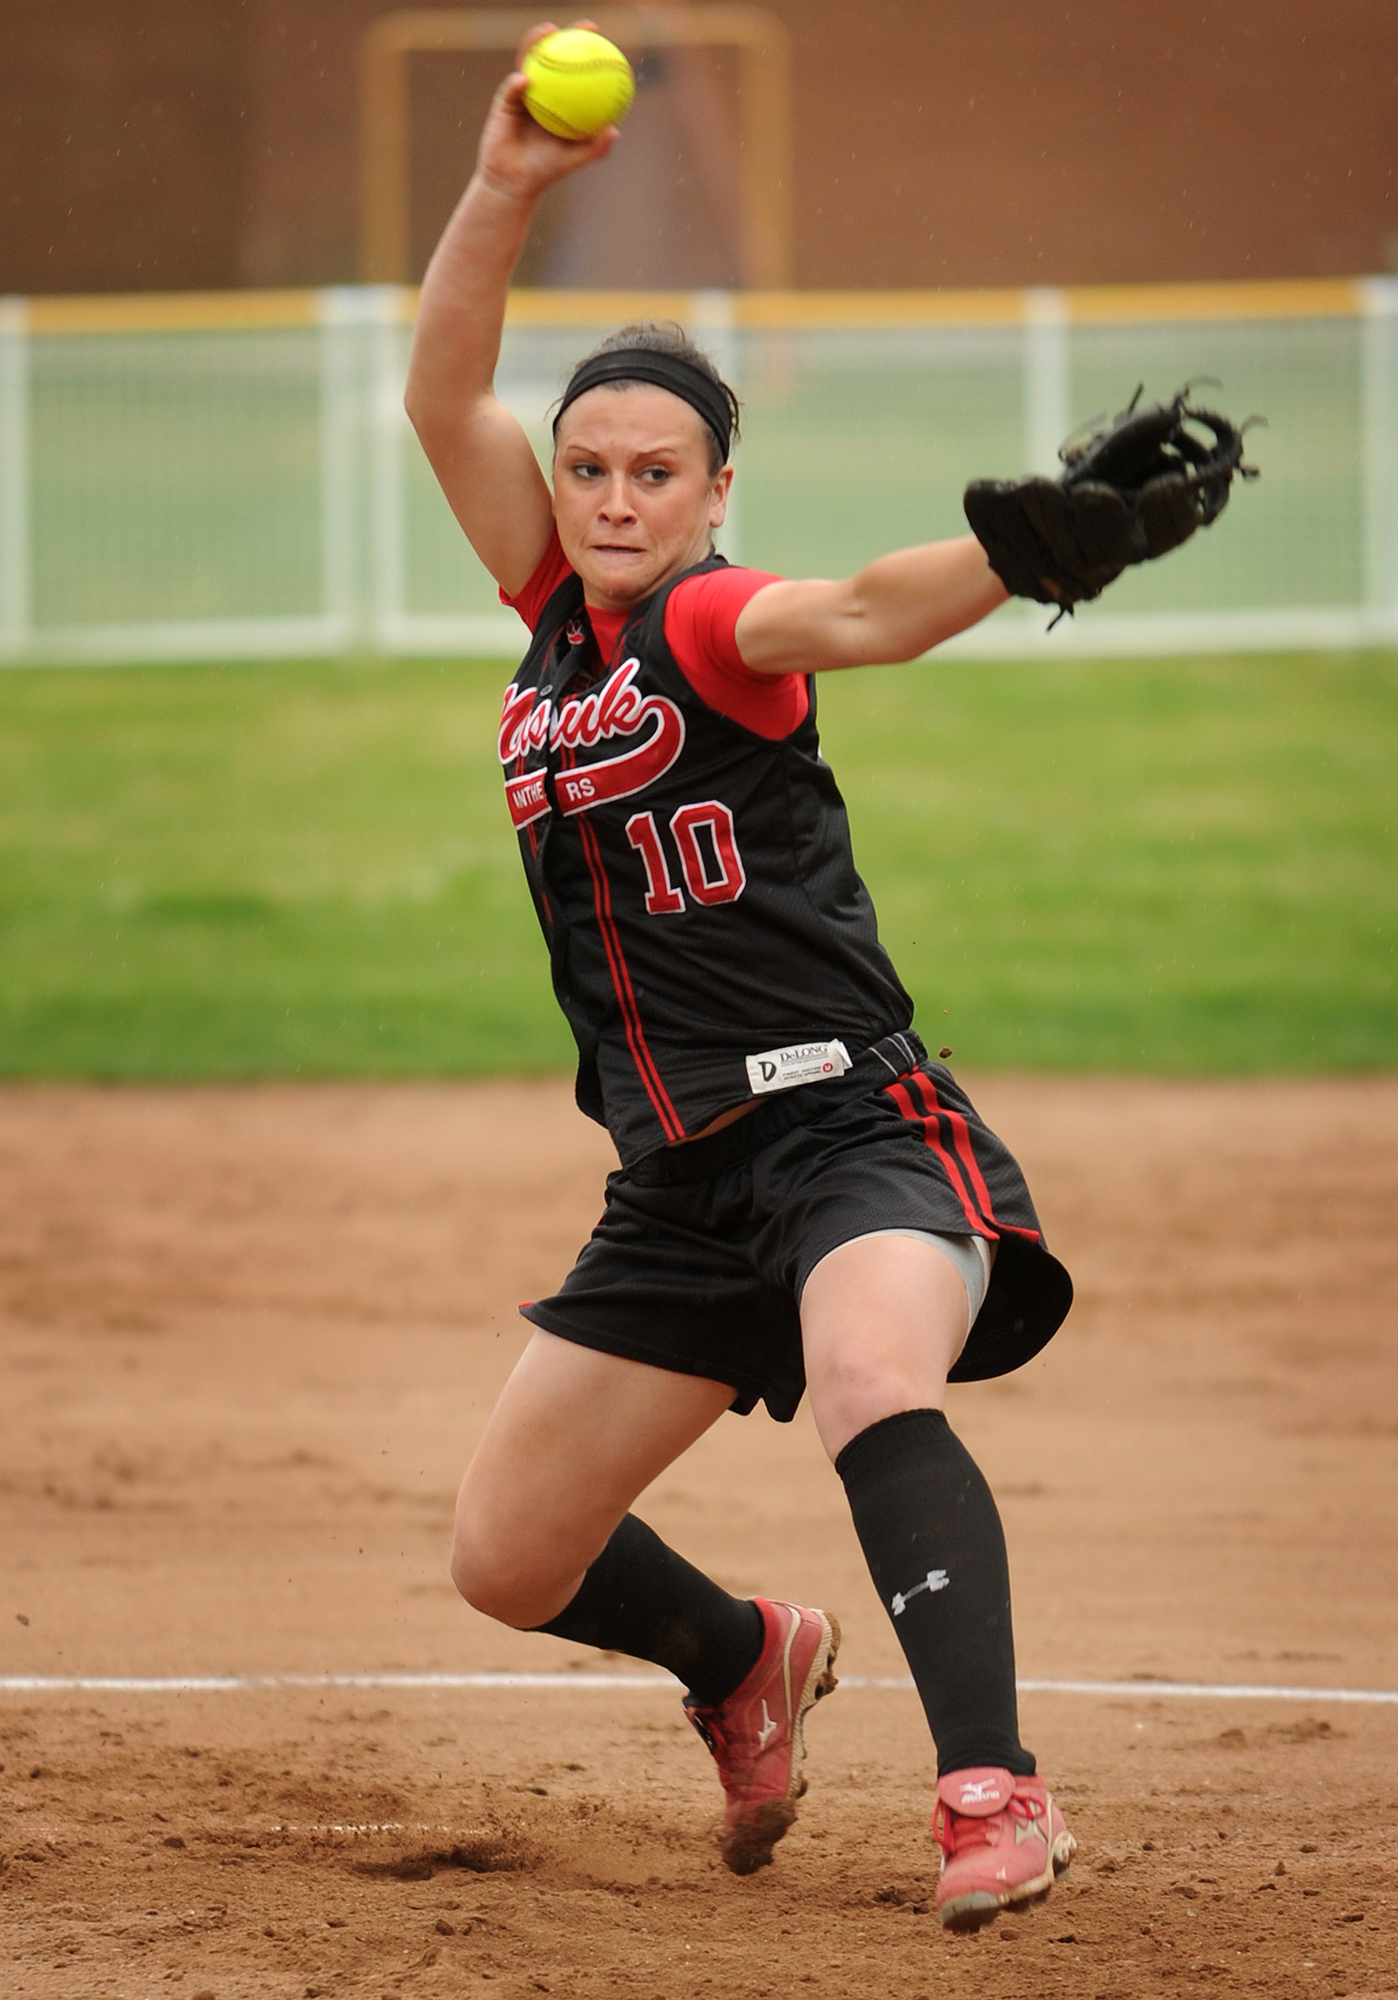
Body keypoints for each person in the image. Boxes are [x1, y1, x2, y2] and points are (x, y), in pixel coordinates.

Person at [405, 21, 1077, 1932]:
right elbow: (439, 391)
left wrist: (1019, 549)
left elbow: (855, 612)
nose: (616, 499)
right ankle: (740, 1660)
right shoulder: (553, 625)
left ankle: (990, 1796)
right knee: (508, 1555)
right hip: (678, 1184)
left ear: (712, 495)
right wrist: (505, 186)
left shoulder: (712, 620)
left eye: (657, 473)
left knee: (872, 1379)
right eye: (589, 469)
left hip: (851, 1129)